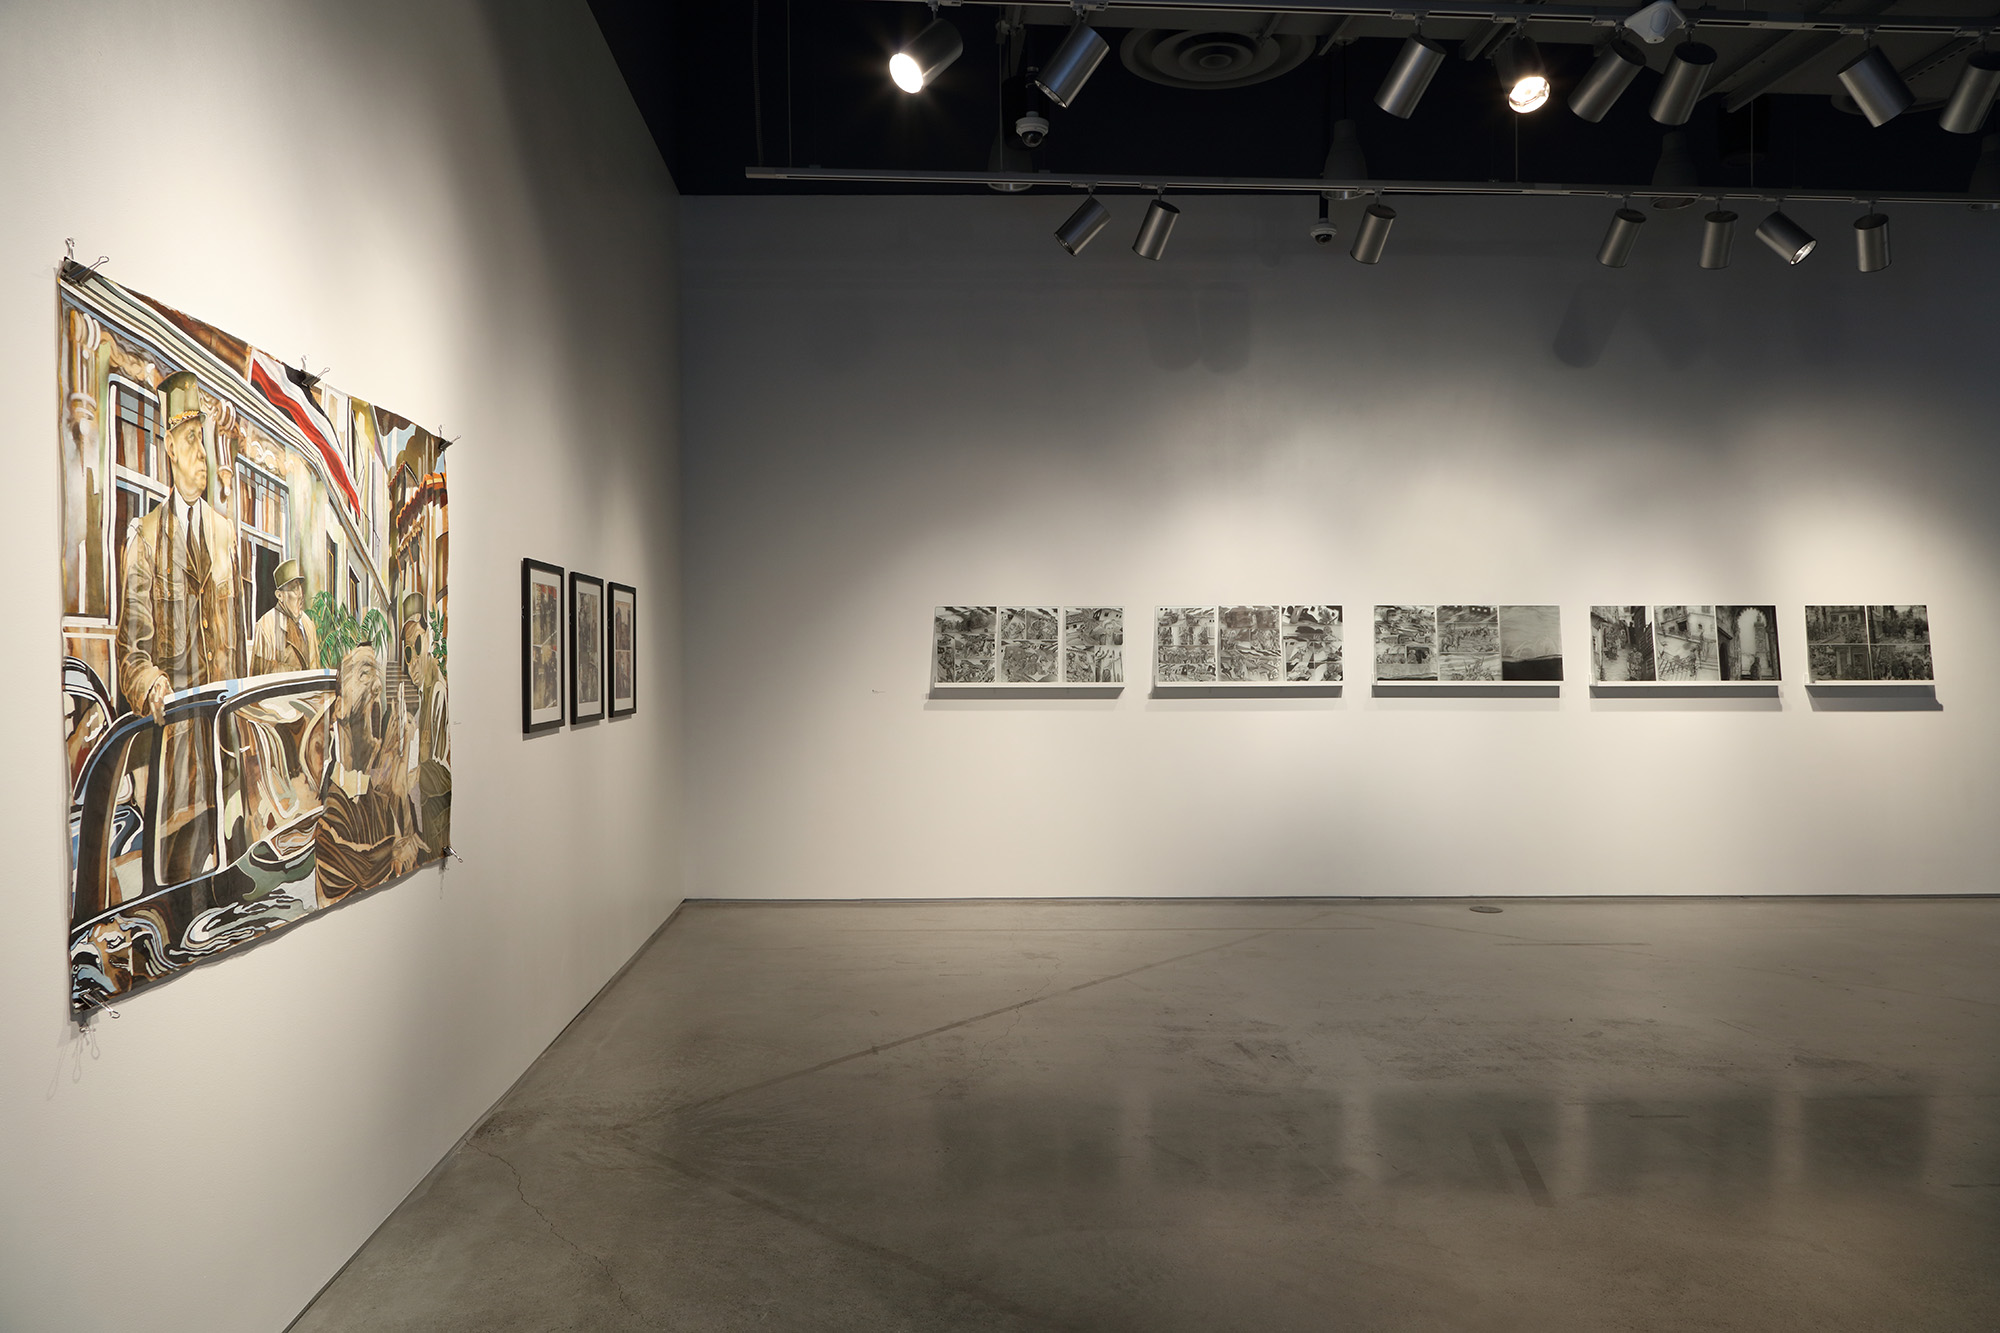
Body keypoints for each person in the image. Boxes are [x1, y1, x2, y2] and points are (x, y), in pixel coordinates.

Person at [116, 371, 240, 721]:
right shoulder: (146, 537)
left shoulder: (223, 533)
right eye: (191, 439)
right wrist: (152, 684)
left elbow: (238, 650)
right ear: (170, 447)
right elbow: (132, 654)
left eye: (203, 441)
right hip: (176, 743)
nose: (203, 454)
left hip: (226, 739)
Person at [398, 593, 451, 860]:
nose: (413, 660)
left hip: (436, 827)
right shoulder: (421, 696)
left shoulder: (438, 690)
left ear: (428, 639)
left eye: (417, 644)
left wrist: (416, 775)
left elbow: (446, 772)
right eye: (407, 652)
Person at [249, 559, 321, 676]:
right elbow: (259, 677)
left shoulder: (308, 624)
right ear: (279, 595)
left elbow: (316, 667)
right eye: (293, 588)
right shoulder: (266, 626)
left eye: (299, 587)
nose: (300, 595)